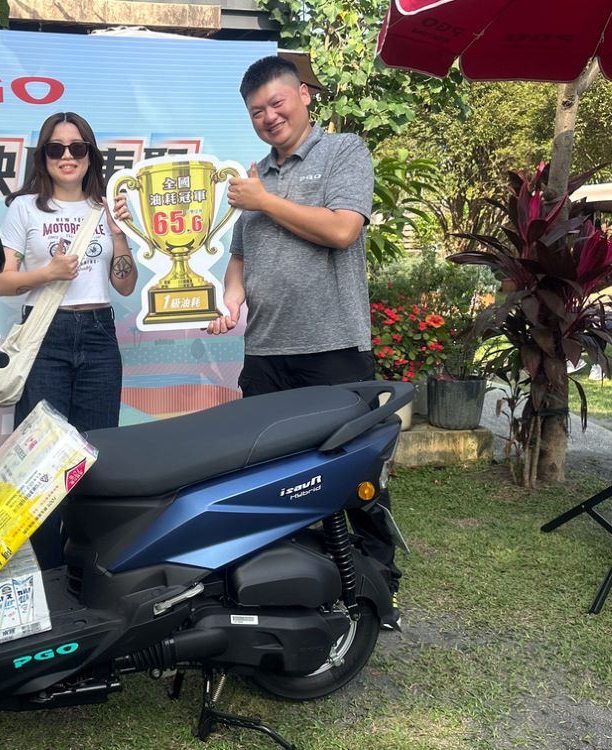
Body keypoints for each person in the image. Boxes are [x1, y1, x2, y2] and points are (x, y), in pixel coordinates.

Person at [206, 55, 402, 627]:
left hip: (333, 350)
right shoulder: (254, 176)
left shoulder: (343, 152)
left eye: (277, 103)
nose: (269, 117)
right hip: (266, 353)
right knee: (269, 477)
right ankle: (281, 582)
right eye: (256, 111)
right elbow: (240, 257)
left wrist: (264, 200)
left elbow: (342, 230)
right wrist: (232, 299)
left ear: (304, 96)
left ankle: (377, 590)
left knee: (355, 476)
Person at [0, 111, 138, 568]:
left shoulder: (105, 207)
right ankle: (48, 571)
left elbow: (125, 285)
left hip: (98, 334)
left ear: (90, 154)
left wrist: (120, 235)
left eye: (77, 147)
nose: (67, 156)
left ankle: (89, 568)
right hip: (45, 335)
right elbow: (3, 282)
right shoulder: (24, 208)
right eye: (56, 148)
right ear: (44, 156)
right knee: (41, 461)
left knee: (95, 455)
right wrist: (48, 272)